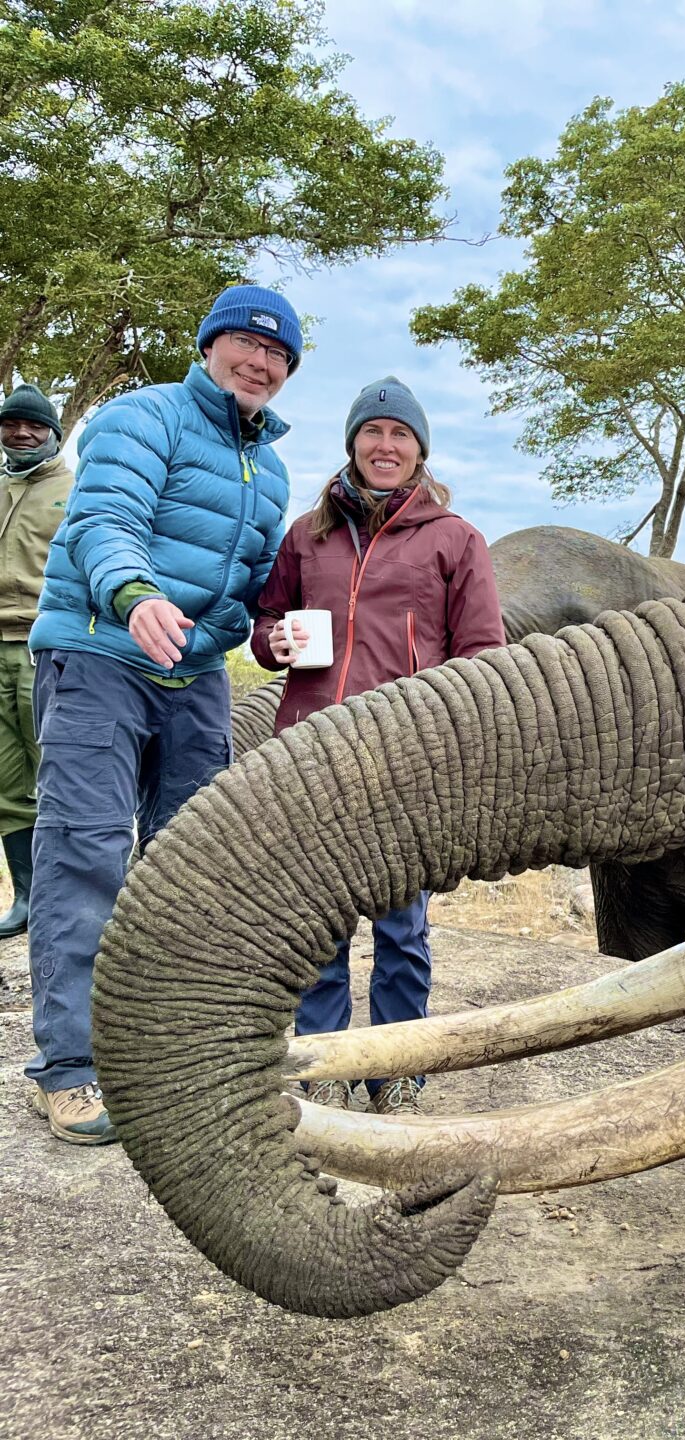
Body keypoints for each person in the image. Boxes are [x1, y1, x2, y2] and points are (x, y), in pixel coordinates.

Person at [25, 284, 299, 1144]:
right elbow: (102, 519)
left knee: (192, 862)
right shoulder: (143, 416)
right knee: (86, 850)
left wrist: (270, 634)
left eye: (278, 355)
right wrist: (133, 592)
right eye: (246, 346)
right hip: (103, 653)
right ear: (210, 345)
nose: (260, 363)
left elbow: (248, 590)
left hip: (197, 673)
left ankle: (168, 1044)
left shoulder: (273, 467)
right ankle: (70, 1069)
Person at [251, 375, 502, 1115]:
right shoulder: (309, 534)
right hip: (313, 750)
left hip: (405, 755)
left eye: (400, 435)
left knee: (402, 924)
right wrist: (278, 639)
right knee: (320, 921)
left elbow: (484, 654)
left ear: (419, 450)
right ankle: (323, 1063)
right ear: (353, 443)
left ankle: (397, 1068)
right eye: (373, 433)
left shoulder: (456, 540)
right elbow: (266, 628)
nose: (384, 446)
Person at [0, 384, 75, 939]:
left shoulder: (73, 489)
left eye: (33, 425)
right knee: (6, 783)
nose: (21, 433)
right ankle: (25, 898)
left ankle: (65, 901)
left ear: (53, 432)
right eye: (11, 424)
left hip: (43, 646)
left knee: (61, 774)